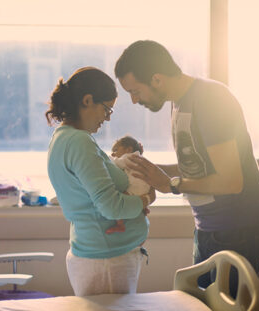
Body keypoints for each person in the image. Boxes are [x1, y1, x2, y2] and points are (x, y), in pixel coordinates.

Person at [114, 40, 259, 295]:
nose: (133, 100)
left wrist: (170, 184)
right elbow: (200, 164)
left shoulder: (210, 99)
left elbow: (231, 181)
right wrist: (152, 171)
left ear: (156, 79)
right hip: (209, 227)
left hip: (237, 228)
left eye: (135, 91)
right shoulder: (180, 103)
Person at [46, 66, 156, 296]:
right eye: (107, 109)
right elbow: (110, 206)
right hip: (106, 261)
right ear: (87, 100)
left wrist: (134, 206)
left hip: (103, 256)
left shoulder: (64, 137)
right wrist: (145, 199)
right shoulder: (79, 142)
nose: (107, 118)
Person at [106, 135, 150, 234]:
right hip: (144, 188)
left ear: (129, 149)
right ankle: (142, 208)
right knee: (135, 201)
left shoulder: (129, 157)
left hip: (136, 187)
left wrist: (107, 159)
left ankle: (120, 224)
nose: (113, 153)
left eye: (116, 150)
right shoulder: (138, 157)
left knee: (119, 202)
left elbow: (117, 163)